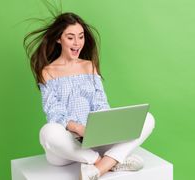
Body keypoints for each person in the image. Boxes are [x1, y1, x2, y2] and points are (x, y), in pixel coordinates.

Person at [24, 12, 156, 180]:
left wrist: (104, 127)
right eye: (70, 37)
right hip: (68, 146)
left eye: (81, 37)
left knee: (148, 119)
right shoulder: (48, 72)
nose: (77, 43)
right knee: (47, 132)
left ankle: (98, 169)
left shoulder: (89, 66)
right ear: (59, 39)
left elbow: (101, 104)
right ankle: (108, 162)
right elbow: (54, 113)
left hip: (96, 139)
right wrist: (79, 128)